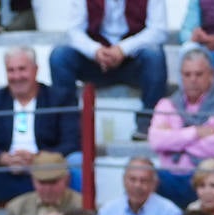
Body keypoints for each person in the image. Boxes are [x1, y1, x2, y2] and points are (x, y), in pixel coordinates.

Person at [0, 45, 81, 215]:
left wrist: (38, 159)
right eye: (11, 70)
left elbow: (71, 141)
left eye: (22, 69)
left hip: (48, 172)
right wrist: (4, 158)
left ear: (36, 70)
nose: (17, 76)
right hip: (6, 171)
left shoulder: (59, 98)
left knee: (77, 161)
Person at [49, 0, 168, 141]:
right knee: (60, 56)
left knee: (154, 55)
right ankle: (68, 125)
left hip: (133, 61)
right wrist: (95, 51)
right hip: (96, 62)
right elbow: (73, 31)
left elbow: (158, 31)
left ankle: (148, 123)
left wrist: (123, 49)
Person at [149, 47, 214, 208]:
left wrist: (175, 140)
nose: (193, 79)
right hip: (172, 180)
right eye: (187, 74)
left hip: (211, 181)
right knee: (146, 176)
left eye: (199, 74)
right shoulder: (167, 104)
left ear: (211, 74)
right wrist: (195, 133)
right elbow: (157, 141)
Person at [97, 155, 184, 215]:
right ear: (124, 180)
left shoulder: (170, 213)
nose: (137, 185)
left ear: (154, 184)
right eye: (132, 179)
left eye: (144, 180)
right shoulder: (107, 212)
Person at [5, 151, 84, 215]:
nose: (48, 189)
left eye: (53, 182)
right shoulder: (16, 207)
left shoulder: (82, 205)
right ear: (33, 180)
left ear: (67, 179)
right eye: (42, 182)